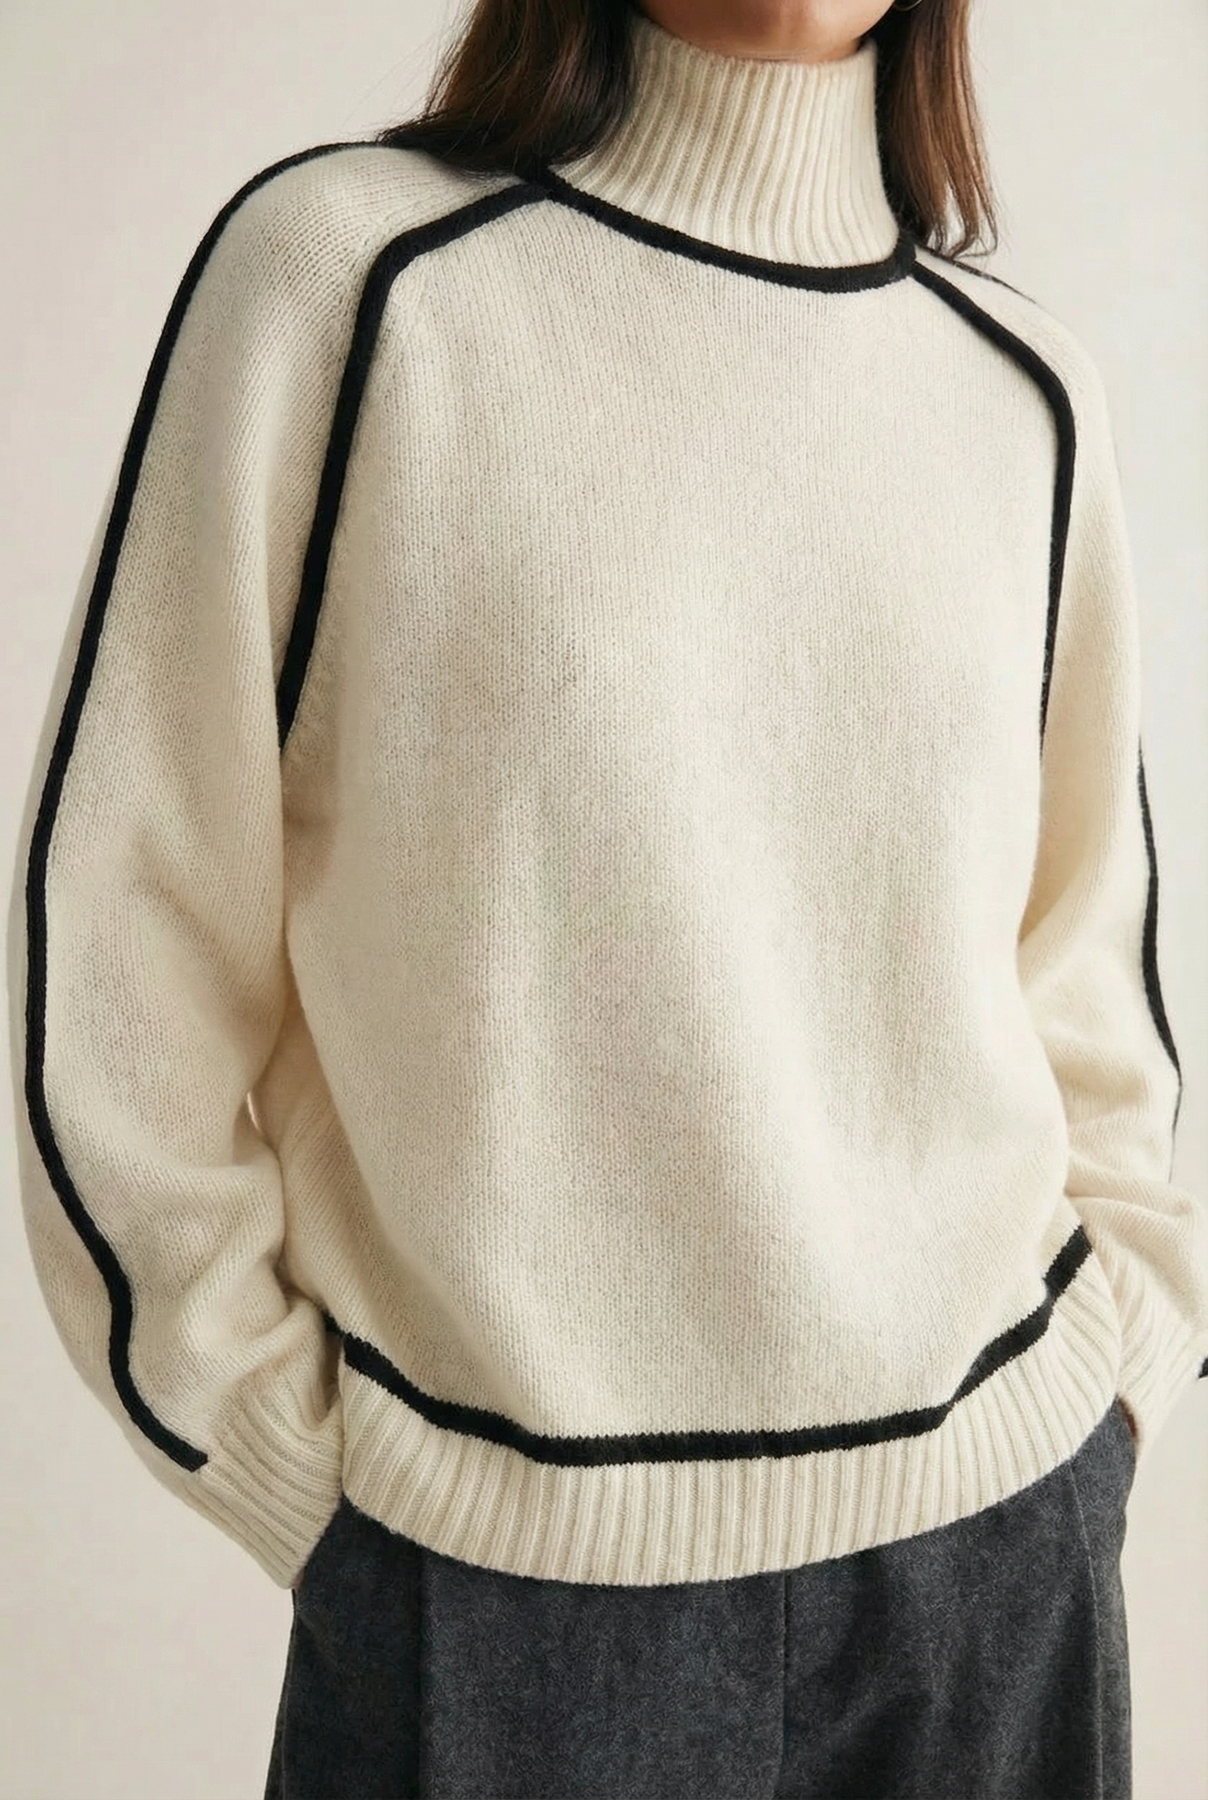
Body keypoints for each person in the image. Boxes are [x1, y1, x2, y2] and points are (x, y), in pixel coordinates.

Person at [8, 0, 1207, 1794]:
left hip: (997, 1567)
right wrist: (299, 1472)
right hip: (501, 1601)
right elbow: (121, 951)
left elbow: (1088, 974)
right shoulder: (355, 284)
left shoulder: (1021, 391)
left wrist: (1121, 1370)